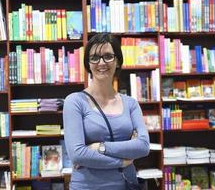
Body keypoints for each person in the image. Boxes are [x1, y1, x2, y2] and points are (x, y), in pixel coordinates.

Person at [63, 33, 150, 190]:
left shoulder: (131, 104)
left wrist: (99, 147)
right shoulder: (74, 102)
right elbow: (77, 154)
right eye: (95, 57)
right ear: (88, 64)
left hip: (126, 184)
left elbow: (143, 146)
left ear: (117, 61)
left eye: (108, 56)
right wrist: (123, 161)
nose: (101, 62)